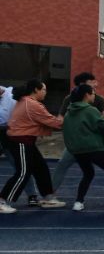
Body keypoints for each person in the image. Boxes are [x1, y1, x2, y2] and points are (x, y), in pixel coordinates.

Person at [0, 79, 66, 213]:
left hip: (25, 140)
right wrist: (69, 119)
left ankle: (48, 197)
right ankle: (2, 201)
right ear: (36, 90)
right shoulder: (32, 104)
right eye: (44, 90)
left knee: (41, 167)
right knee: (23, 172)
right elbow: (54, 122)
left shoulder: (24, 100)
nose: (46, 92)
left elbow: (38, 122)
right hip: (20, 140)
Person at [52, 72, 104, 193]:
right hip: (78, 141)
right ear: (82, 85)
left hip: (96, 141)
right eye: (92, 82)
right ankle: (50, 194)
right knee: (63, 165)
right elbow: (60, 118)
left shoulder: (99, 99)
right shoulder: (69, 99)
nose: (96, 84)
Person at [0, 83, 38, 206]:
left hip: (10, 135)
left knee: (21, 167)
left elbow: (6, 119)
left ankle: (32, 195)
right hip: (6, 133)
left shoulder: (11, 95)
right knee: (22, 168)